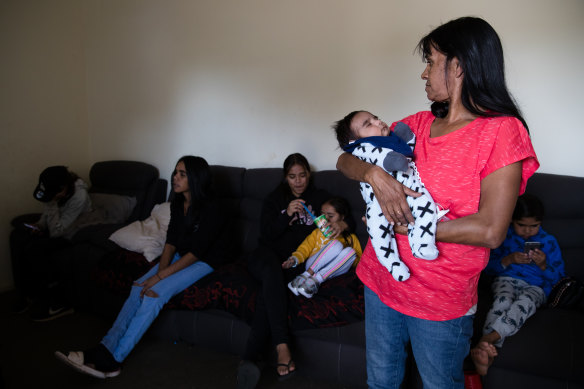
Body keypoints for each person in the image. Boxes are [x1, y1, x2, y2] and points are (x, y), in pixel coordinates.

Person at [336, 17, 539, 388]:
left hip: (440, 300)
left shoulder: (501, 131)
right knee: (381, 382)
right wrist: (375, 176)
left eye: (430, 61)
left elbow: (491, 230)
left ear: (458, 65)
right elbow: (347, 158)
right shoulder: (415, 125)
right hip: (381, 279)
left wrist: (411, 226)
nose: (424, 73)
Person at [55, 156, 231, 378]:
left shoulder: (214, 207)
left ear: (196, 179)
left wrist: (159, 279)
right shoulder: (178, 201)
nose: (175, 177)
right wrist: (159, 271)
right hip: (183, 253)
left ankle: (114, 360)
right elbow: (172, 240)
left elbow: (197, 252)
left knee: (153, 294)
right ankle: (104, 348)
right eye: (175, 172)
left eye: (182, 174)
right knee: (138, 287)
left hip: (206, 260)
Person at [237, 153, 353, 388]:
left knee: (269, 293)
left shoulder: (319, 198)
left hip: (294, 261)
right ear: (285, 178)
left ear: (309, 175)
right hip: (265, 255)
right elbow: (266, 235)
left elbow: (343, 215)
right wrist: (286, 215)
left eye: (302, 175)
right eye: (292, 177)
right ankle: (282, 346)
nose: (298, 181)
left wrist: (343, 223)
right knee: (272, 273)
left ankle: (249, 359)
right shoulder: (274, 199)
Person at [333, 111, 445, 282]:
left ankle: (422, 243)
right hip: (378, 203)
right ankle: (391, 262)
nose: (378, 121)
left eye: (376, 117)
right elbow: (371, 158)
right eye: (369, 124)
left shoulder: (392, 139)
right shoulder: (364, 148)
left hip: (412, 191)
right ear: (356, 140)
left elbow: (408, 149)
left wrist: (406, 137)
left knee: (426, 205)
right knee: (378, 228)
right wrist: (389, 163)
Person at [471, 193, 564, 375]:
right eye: (521, 225)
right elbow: (488, 268)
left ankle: (488, 340)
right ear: (512, 220)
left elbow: (558, 278)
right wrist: (509, 259)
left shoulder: (549, 242)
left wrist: (544, 264)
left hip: (536, 286)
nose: (528, 231)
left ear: (541, 223)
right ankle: (486, 354)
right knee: (503, 301)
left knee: (525, 303)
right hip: (506, 279)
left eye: (534, 226)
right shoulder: (504, 236)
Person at [10, 165, 92, 321]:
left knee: (35, 249)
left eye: (52, 195)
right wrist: (39, 225)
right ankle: (29, 294)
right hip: (58, 226)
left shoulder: (79, 196)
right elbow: (48, 214)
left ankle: (60, 302)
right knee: (18, 237)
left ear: (62, 189)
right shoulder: (55, 190)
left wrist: (52, 203)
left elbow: (57, 232)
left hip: (73, 233)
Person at [283, 196, 362, 298]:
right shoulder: (317, 233)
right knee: (337, 245)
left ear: (342, 218)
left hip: (333, 271)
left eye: (331, 216)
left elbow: (358, 260)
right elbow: (304, 249)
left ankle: (314, 282)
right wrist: (294, 259)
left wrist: (347, 259)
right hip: (312, 267)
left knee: (351, 252)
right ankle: (305, 276)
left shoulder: (351, 238)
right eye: (322, 215)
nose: (325, 220)